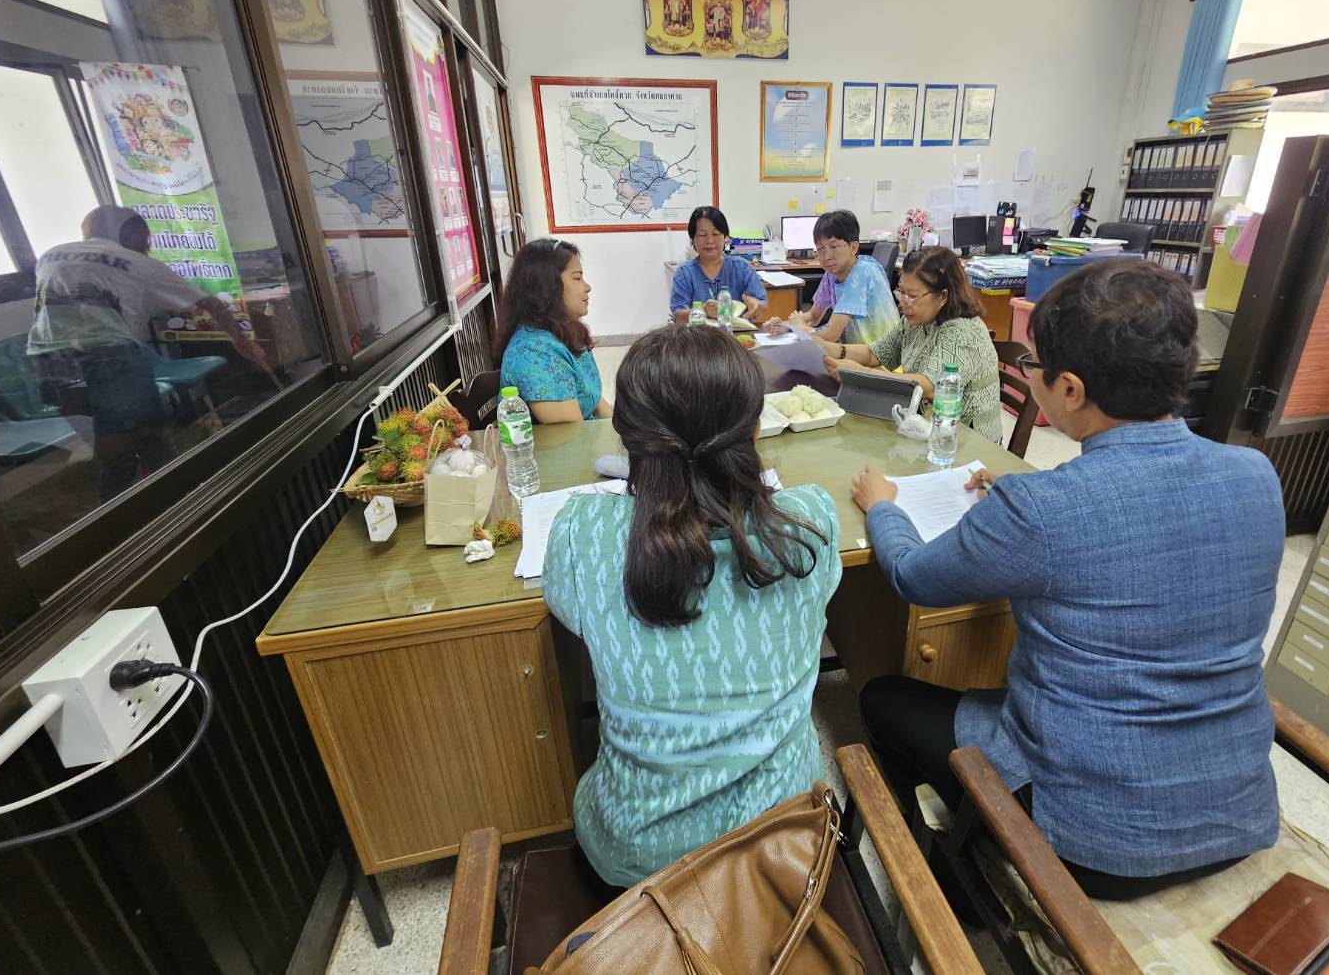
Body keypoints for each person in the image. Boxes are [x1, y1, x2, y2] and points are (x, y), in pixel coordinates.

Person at [850, 259, 1283, 899]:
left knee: (881, 698)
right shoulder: (1255, 474)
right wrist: (1039, 493)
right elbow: (1143, 520)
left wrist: (883, 504)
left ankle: (957, 883)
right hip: (1237, 811)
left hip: (1097, 840)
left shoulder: (1042, 510)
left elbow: (913, 576)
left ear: (1071, 390)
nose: (1031, 376)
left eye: (1034, 367)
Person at [542, 325, 842, 886]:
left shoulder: (582, 532)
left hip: (636, 859)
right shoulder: (811, 525)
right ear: (755, 429)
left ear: (626, 436)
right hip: (782, 848)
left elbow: (570, 613)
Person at [27, 205, 268, 496]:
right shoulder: (136, 263)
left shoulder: (50, 254)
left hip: (48, 360)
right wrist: (245, 344)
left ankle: (139, 503)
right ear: (136, 235)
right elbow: (211, 304)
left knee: (111, 439)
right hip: (109, 355)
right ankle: (164, 503)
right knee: (142, 440)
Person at [807, 245, 1002, 444]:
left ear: (943, 296)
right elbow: (874, 353)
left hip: (966, 440)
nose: (904, 303)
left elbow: (929, 387)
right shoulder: (916, 319)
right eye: (901, 293)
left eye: (912, 296)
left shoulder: (961, 330)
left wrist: (860, 374)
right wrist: (824, 347)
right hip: (924, 424)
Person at [498, 239, 612, 423]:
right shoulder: (535, 353)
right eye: (577, 277)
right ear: (547, 285)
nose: (587, 287)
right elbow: (571, 434)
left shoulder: (566, 330)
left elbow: (594, 397)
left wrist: (626, 434)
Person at [766, 210, 897, 346]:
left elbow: (830, 335)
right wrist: (785, 325)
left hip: (881, 358)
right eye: (821, 249)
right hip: (855, 351)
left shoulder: (862, 272)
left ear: (853, 248)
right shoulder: (831, 274)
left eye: (834, 247)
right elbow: (813, 317)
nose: (827, 256)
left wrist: (800, 328)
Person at [669, 206, 767, 325]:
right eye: (702, 235)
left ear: (725, 237)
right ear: (693, 239)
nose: (710, 240)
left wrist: (757, 307)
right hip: (698, 338)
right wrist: (702, 311)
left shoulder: (741, 267)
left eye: (715, 234)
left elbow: (761, 304)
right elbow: (678, 315)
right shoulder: (685, 273)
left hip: (736, 337)